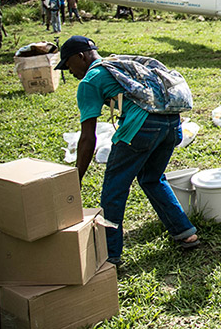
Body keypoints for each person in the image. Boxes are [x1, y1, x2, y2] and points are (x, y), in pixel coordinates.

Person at [56, 36, 198, 265]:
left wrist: (77, 176)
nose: (69, 71)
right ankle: (185, 233)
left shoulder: (90, 81)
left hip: (142, 130)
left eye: (67, 64)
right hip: (171, 125)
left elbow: (87, 137)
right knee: (152, 178)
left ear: (79, 56)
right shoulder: (118, 64)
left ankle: (110, 255)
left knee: (114, 191)